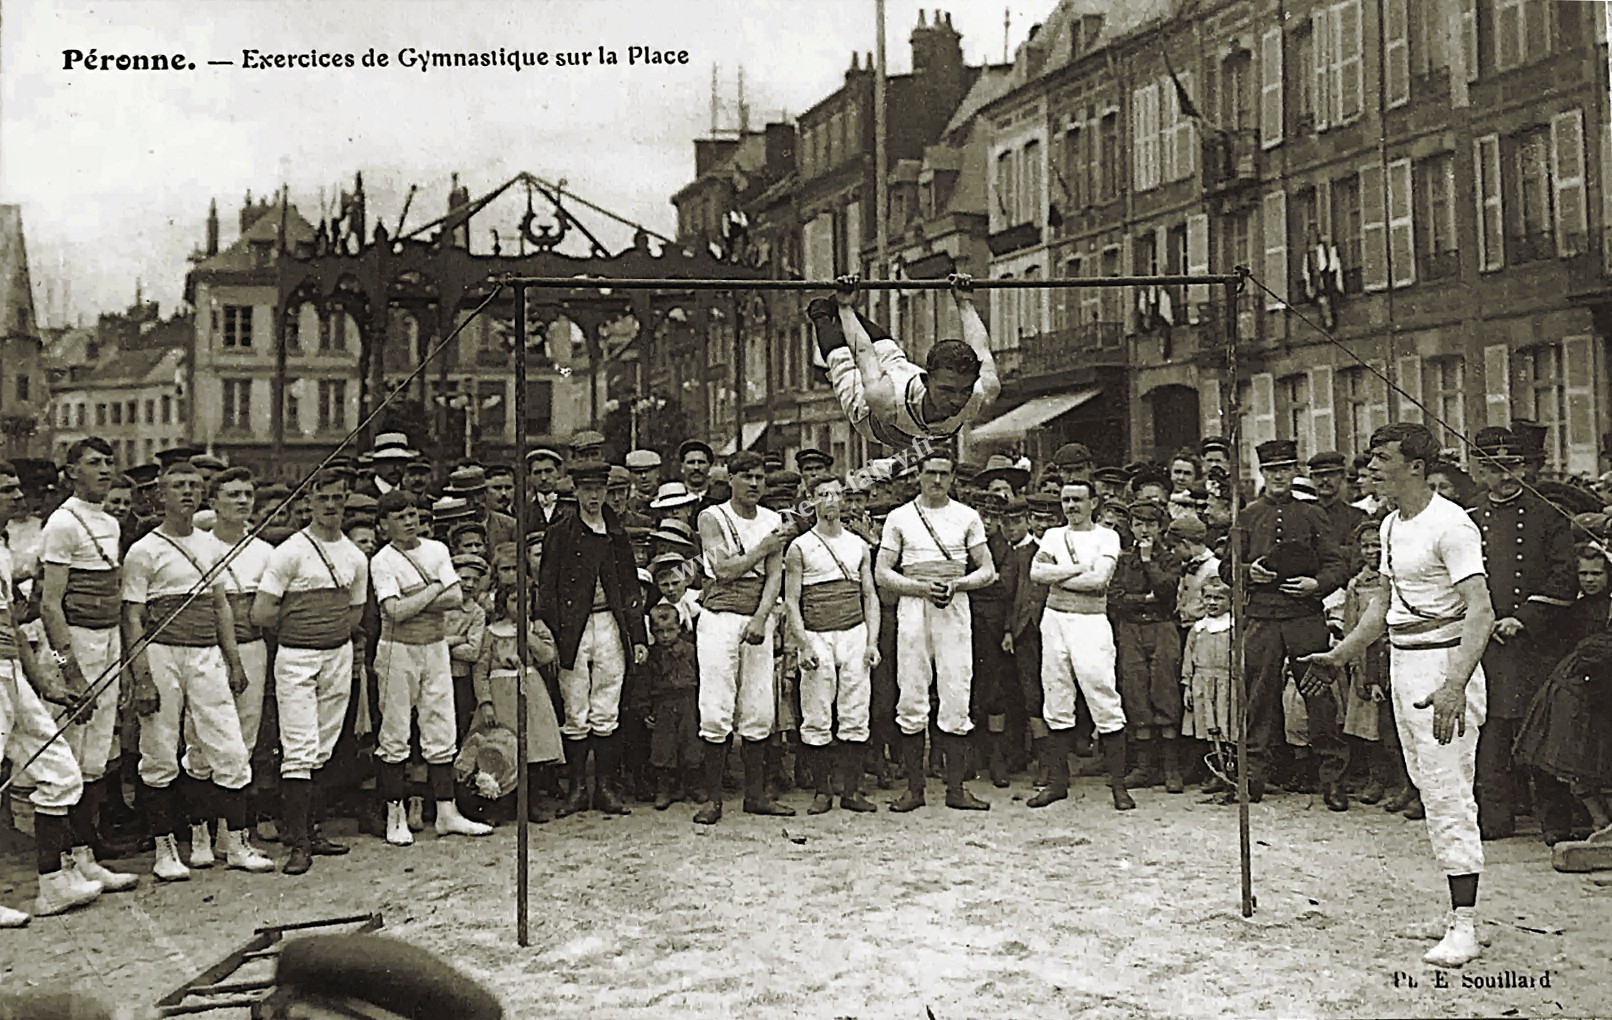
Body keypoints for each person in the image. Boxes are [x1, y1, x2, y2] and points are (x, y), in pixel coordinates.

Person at [1301, 422, 1494, 969]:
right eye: (1369, 459)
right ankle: (1457, 911)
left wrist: (1455, 682)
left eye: (1381, 459)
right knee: (1430, 789)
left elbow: (1481, 611)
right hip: (1405, 665)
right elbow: (1384, 607)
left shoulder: (1451, 525)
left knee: (1450, 791)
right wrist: (1341, 655)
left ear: (1416, 466)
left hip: (1445, 668)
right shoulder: (1387, 525)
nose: (1370, 469)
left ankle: (1465, 926)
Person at [122, 460, 274, 880]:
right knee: (160, 749)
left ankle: (237, 844)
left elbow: (221, 608)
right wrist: (142, 676)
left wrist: (234, 661)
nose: (186, 492)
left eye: (193, 485)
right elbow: (132, 617)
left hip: (207, 653)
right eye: (177, 486)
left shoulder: (211, 546)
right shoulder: (144, 550)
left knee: (229, 746)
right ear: (161, 495)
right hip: (162, 654)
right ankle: (165, 849)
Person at [0, 460, 105, 924]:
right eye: (7, 491)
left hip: (11, 675)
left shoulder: (4, 551)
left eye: (18, 489)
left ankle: (52, 885)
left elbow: (18, 630)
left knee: (61, 772)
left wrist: (48, 685)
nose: (19, 498)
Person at [251, 468, 369, 875]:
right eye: (324, 498)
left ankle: (312, 830)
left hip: (337, 656)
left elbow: (354, 613)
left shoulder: (355, 556)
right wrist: (304, 626)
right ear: (309, 501)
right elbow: (262, 612)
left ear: (347, 498)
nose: (332, 505)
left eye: (339, 497)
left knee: (324, 746)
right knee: (298, 749)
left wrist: (328, 630)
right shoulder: (290, 551)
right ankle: (297, 843)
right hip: (297, 657)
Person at [36, 437, 139, 894]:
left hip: (107, 643)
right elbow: (50, 605)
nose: (103, 469)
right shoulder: (62, 522)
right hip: (72, 645)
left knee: (96, 757)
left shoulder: (110, 523)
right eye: (93, 463)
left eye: (108, 462)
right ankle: (60, 866)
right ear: (72, 471)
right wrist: (69, 668)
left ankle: (85, 857)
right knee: (67, 759)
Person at [1466, 427, 1578, 842]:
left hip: (1536, 641)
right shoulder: (1471, 518)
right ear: (1480, 471)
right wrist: (1482, 620)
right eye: (1495, 469)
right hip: (1486, 642)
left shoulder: (1548, 513)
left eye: (1512, 466)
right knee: (1490, 732)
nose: (1506, 477)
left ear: (1526, 467)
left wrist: (1525, 618)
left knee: (1539, 729)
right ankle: (1495, 817)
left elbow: (1564, 576)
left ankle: (1554, 822)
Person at [875, 451, 998, 812]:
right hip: (914, 607)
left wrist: (957, 584)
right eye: (930, 473)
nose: (937, 480)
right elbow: (883, 571)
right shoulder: (900, 518)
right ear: (918, 475)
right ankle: (914, 789)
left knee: (956, 688)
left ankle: (956, 789)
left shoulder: (966, 516)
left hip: (954, 607)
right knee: (911, 690)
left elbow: (987, 569)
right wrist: (920, 588)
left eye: (944, 473)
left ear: (953, 477)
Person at [369, 492, 492, 846]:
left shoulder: (436, 549)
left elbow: (457, 597)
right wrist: (436, 586)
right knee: (394, 733)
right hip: (398, 650)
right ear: (383, 526)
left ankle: (447, 813)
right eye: (399, 517)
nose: (408, 522)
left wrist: (421, 597)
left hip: (436, 648)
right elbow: (394, 611)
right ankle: (395, 816)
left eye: (412, 515)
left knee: (440, 728)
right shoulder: (382, 560)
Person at [1234, 438, 1350, 807]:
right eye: (1271, 470)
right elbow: (1226, 567)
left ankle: (1332, 779)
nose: (1279, 476)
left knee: (1319, 698)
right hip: (1263, 621)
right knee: (1259, 698)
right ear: (1263, 473)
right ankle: (1253, 776)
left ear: (1295, 471)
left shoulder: (1313, 513)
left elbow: (1337, 563)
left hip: (1304, 618)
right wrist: (1249, 572)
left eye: (1285, 469)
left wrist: (1318, 584)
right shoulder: (1249, 515)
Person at [536, 461, 648, 817]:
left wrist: (638, 635)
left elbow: (631, 587)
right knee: (575, 707)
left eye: (600, 489)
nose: (594, 497)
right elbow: (547, 587)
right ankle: (576, 789)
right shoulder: (561, 533)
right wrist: (550, 630)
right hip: (574, 628)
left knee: (607, 705)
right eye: (587, 490)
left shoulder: (617, 533)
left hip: (610, 625)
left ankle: (604, 787)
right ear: (576, 492)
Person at [692, 450, 790, 823]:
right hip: (719, 618)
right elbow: (724, 569)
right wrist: (763, 547)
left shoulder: (773, 518)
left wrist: (761, 618)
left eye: (759, 477)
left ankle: (755, 795)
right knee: (716, 705)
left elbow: (775, 576)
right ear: (730, 479)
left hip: (756, 620)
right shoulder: (712, 516)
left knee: (759, 706)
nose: (753, 483)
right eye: (745, 476)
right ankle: (713, 799)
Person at [1029, 479, 1132, 811]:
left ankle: (1118, 786)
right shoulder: (1053, 535)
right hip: (1054, 620)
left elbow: (1099, 581)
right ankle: (1058, 784)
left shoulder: (1107, 536)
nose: (1071, 506)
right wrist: (1077, 569)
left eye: (1077, 500)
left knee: (1102, 694)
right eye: (1066, 500)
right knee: (1056, 697)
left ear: (1094, 503)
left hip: (1090, 624)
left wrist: (1059, 575)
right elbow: (1036, 573)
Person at [807, 274, 1000, 450]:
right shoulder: (887, 397)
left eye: (965, 391)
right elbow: (863, 353)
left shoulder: (982, 392)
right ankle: (833, 307)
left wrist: (964, 301)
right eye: (946, 390)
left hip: (874, 422)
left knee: (841, 359)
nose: (957, 400)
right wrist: (845, 308)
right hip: (883, 397)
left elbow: (980, 347)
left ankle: (820, 314)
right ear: (925, 381)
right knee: (876, 349)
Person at [783, 475, 880, 815]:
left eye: (835, 495)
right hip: (817, 634)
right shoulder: (800, 547)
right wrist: (803, 644)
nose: (830, 501)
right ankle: (822, 792)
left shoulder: (858, 545)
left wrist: (872, 641)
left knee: (855, 711)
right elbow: (793, 600)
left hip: (853, 632)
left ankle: (851, 791)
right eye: (822, 495)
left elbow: (869, 595)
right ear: (811, 501)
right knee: (817, 712)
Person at [644, 603, 701, 810]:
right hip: (663, 704)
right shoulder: (651, 656)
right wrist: (646, 710)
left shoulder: (690, 651)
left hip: (687, 701)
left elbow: (700, 678)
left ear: (679, 628)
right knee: (663, 748)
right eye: (659, 632)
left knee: (690, 744)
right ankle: (664, 788)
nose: (665, 636)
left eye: (670, 630)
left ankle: (692, 785)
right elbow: (644, 684)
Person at [1180, 577, 1235, 794]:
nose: (1213, 603)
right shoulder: (1198, 628)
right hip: (1202, 683)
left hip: (1226, 683)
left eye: (1219, 598)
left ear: (1230, 601)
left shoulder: (1233, 628)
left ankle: (1229, 771)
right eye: (1208, 597)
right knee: (1208, 728)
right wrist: (1187, 685)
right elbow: (1188, 658)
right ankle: (1215, 771)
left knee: (1227, 727)